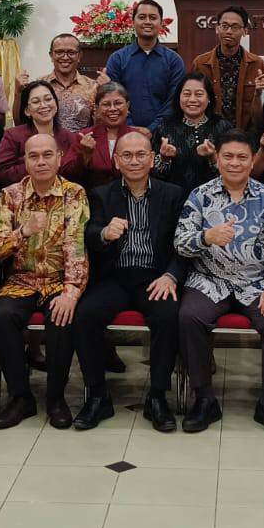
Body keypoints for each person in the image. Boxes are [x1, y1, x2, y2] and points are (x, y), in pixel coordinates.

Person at [174, 131, 264, 436]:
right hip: (208, 279)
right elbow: (180, 243)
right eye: (228, 156)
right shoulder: (199, 195)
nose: (235, 163)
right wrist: (206, 237)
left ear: (253, 161)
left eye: (242, 157)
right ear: (217, 159)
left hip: (256, 281)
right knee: (189, 317)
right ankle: (204, 399)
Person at [75, 130, 186, 432]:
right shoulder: (101, 194)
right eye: (127, 155)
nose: (134, 161)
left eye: (140, 155)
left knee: (168, 315)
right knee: (85, 315)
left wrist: (171, 276)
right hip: (114, 276)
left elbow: (184, 243)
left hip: (155, 276)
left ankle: (157, 397)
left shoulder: (173, 194)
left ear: (152, 159)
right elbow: (89, 235)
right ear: (116, 160)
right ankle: (97, 396)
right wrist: (103, 233)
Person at [0, 134, 90, 429]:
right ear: (25, 161)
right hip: (21, 279)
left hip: (58, 279)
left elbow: (76, 247)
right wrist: (23, 232)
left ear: (59, 158)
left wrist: (71, 292)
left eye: (47, 155)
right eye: (33, 156)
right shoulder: (10, 195)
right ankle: (21, 397)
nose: (41, 162)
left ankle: (56, 398)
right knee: (1, 317)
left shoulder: (74, 193)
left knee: (61, 316)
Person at [103, 0, 185, 128]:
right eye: (142, 17)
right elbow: (114, 99)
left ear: (161, 23)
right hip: (124, 132)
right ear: (133, 22)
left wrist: (153, 129)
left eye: (153, 18)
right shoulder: (117, 59)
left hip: (165, 132)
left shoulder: (174, 61)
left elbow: (173, 101)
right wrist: (131, 129)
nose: (147, 21)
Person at [152, 72, 234, 194]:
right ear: (179, 97)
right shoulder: (165, 127)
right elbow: (154, 175)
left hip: (214, 197)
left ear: (209, 98)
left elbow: (233, 171)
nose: (192, 99)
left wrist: (213, 158)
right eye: (186, 94)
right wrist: (164, 159)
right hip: (174, 198)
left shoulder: (223, 127)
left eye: (199, 94)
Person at [189, 5, 264, 128]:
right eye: (224, 26)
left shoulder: (257, 64)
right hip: (210, 132)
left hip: (245, 133)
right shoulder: (200, 63)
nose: (229, 31)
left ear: (245, 31)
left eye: (235, 27)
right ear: (217, 29)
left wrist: (258, 94)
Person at [0, 80, 81, 185]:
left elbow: (76, 176)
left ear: (56, 104)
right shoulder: (13, 136)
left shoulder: (70, 137)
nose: (43, 105)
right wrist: (35, 165)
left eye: (48, 99)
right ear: (27, 111)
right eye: (36, 102)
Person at [16, 33, 98, 130]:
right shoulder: (39, 86)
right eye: (59, 52)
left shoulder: (93, 86)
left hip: (83, 139)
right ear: (51, 55)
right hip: (46, 139)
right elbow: (20, 124)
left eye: (71, 53)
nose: (65, 57)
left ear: (79, 56)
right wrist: (18, 92)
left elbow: (100, 126)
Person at [75, 82, 149, 187]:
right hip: (92, 194)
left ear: (127, 106)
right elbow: (69, 174)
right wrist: (85, 155)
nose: (113, 109)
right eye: (106, 104)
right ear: (97, 108)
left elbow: (148, 171)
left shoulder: (138, 137)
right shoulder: (84, 136)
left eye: (118, 103)